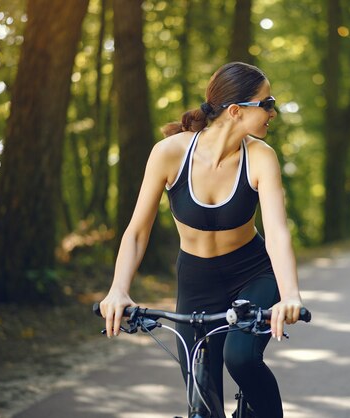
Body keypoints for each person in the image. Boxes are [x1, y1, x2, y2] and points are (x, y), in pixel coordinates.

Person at [99, 62, 304, 418]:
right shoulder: (170, 153)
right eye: (267, 103)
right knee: (202, 399)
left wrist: (290, 295)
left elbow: (277, 234)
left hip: (253, 273)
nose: (273, 111)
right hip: (196, 281)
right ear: (237, 110)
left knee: (240, 358)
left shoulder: (260, 157)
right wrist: (118, 289)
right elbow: (136, 231)